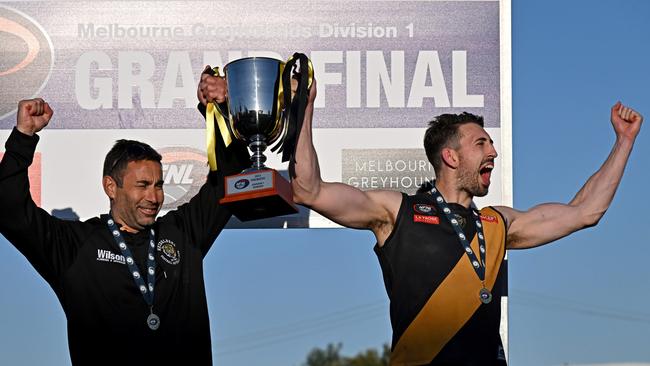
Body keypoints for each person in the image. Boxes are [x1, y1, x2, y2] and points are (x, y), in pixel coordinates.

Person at [198, 74, 643, 364]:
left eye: (490, 144)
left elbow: (586, 212)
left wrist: (624, 143)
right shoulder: (398, 212)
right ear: (450, 156)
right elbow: (311, 189)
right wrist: (304, 107)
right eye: (481, 143)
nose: (493, 151)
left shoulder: (498, 224)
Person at [0, 89, 249, 364]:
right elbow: (9, 210)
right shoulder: (74, 246)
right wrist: (23, 137)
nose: (153, 197)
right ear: (111, 187)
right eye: (142, 185)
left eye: (158, 186)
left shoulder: (182, 233)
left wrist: (218, 109)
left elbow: (232, 174)